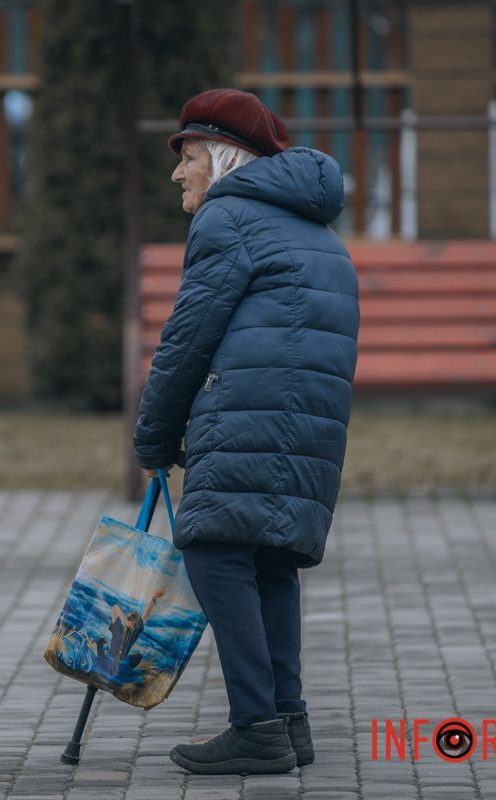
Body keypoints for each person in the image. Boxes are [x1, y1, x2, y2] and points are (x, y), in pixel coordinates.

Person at [133, 88, 360, 775]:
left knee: (212, 549)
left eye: (189, 156)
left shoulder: (228, 217)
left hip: (249, 413)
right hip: (308, 421)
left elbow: (187, 340)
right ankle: (287, 721)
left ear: (225, 157)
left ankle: (257, 726)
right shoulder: (314, 226)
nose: (177, 171)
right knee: (268, 557)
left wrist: (153, 436)